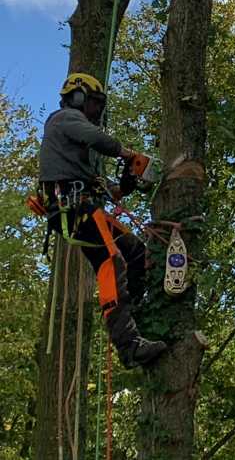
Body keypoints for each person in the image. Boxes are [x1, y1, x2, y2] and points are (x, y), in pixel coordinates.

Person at [37, 72, 166, 369]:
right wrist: (128, 152)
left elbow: (110, 190)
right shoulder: (63, 118)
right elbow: (98, 139)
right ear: (78, 97)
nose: (97, 111)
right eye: (94, 103)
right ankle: (129, 345)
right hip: (72, 210)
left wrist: (128, 182)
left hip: (86, 207)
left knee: (136, 253)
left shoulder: (77, 155)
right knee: (112, 261)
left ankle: (134, 314)